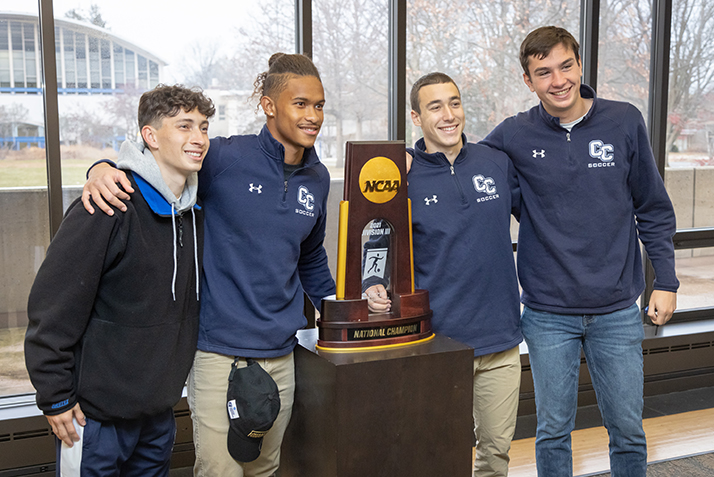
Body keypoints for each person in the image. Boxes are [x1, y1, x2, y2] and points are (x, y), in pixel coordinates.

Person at [81, 53, 336, 477]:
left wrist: (335, 309)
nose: (313, 116)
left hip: (282, 352)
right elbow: (155, 159)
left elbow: (309, 254)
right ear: (270, 106)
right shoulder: (224, 158)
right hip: (219, 352)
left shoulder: (319, 177)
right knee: (221, 470)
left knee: (266, 468)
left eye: (320, 105)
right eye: (301, 103)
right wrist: (101, 168)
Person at [481, 26, 679, 477]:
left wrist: (666, 281)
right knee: (552, 431)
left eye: (565, 66)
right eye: (543, 72)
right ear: (528, 81)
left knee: (627, 430)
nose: (558, 80)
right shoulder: (513, 134)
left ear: (579, 64)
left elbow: (652, 208)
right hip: (548, 314)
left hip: (616, 310)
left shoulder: (624, 120)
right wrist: (416, 157)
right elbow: (465, 163)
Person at [24, 84, 214, 475]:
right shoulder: (108, 204)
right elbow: (52, 305)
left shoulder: (194, 213)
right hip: (93, 419)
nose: (198, 138)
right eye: (184, 127)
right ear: (150, 136)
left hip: (157, 416)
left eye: (204, 127)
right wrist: (55, 396)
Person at [363, 72, 522, 477]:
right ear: (416, 117)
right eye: (435, 106)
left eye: (454, 103)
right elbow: (376, 242)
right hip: (438, 345)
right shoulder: (401, 176)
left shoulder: (496, 162)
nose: (448, 115)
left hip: (501, 338)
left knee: (496, 454)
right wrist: (370, 284)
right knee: (436, 454)